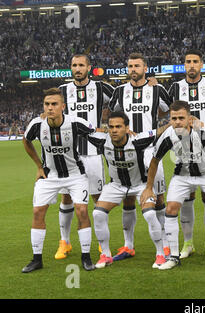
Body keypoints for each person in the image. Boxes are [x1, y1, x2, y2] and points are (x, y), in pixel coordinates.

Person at [140, 101, 205, 271]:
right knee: (170, 209)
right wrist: (148, 187)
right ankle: (174, 256)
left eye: (181, 118)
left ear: (190, 119)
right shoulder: (168, 135)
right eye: (173, 118)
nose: (177, 122)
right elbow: (154, 161)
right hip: (182, 176)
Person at [22, 88, 96, 273]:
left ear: (63, 106)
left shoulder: (75, 123)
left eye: (54, 104)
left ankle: (86, 257)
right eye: (47, 104)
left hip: (75, 174)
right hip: (49, 176)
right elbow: (26, 140)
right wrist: (39, 166)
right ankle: (36, 259)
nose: (50, 108)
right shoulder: (37, 125)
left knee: (82, 211)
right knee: (38, 212)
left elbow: (97, 134)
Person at [108, 52, 173, 260]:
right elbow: (112, 116)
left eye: (137, 66)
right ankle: (128, 245)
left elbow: (168, 111)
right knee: (127, 197)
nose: (133, 69)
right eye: (130, 66)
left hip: (151, 150)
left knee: (158, 196)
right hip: (126, 151)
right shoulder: (119, 91)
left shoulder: (157, 89)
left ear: (145, 68)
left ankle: (165, 244)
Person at [87, 111, 170, 269]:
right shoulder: (102, 141)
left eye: (118, 127)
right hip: (116, 186)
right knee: (97, 213)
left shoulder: (138, 141)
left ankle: (160, 254)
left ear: (127, 128)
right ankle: (106, 255)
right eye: (111, 127)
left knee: (151, 214)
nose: (114, 130)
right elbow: (83, 129)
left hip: (140, 185)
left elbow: (160, 131)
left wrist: (175, 122)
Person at [55, 54, 117, 261]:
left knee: (97, 198)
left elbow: (124, 97)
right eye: (74, 65)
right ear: (70, 68)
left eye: (81, 65)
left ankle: (101, 243)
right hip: (68, 153)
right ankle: (65, 242)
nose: (77, 68)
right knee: (66, 197)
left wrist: (107, 127)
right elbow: (51, 113)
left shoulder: (101, 88)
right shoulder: (62, 91)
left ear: (89, 67)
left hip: (92, 152)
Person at [168, 49, 205, 260]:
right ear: (184, 65)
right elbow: (163, 107)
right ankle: (188, 243)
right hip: (182, 148)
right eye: (188, 61)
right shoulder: (174, 87)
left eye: (195, 62)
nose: (191, 65)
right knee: (186, 196)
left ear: (202, 65)